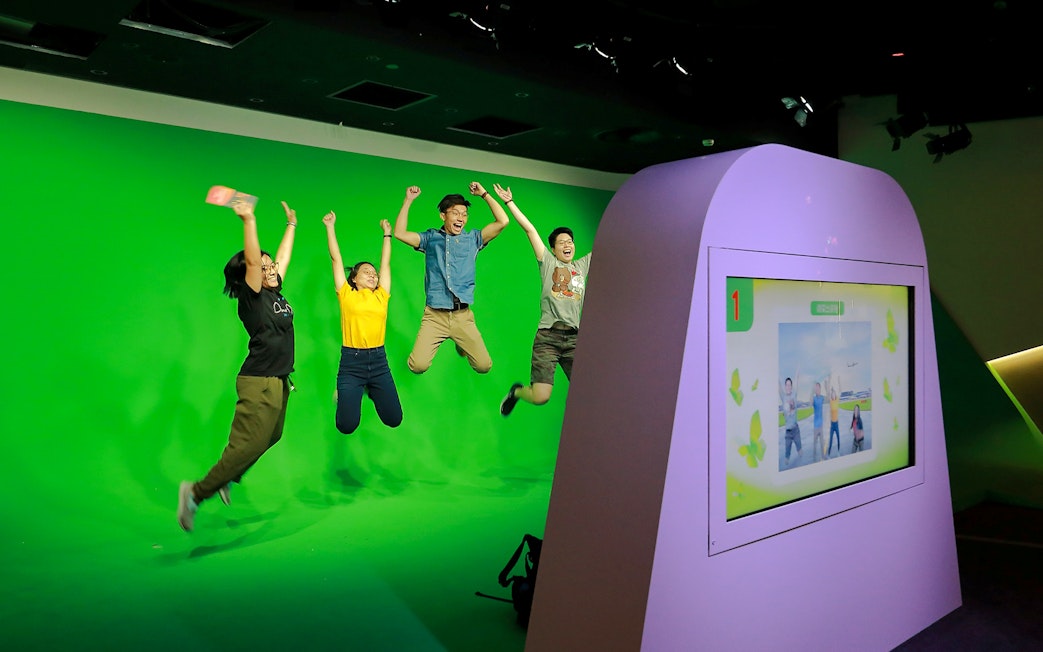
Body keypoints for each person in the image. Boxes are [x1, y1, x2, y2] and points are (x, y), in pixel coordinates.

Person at [178, 199, 298, 532]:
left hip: (278, 379)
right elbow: (253, 259)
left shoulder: (275, 292)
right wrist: (249, 219)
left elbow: (282, 257)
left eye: (271, 265)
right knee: (250, 444)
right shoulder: (254, 295)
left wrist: (291, 225)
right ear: (250, 275)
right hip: (258, 379)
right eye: (264, 267)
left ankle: (230, 474)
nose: (271, 268)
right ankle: (197, 493)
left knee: (273, 435)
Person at [494, 183, 592, 416]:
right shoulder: (548, 263)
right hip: (548, 337)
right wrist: (509, 202)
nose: (567, 245)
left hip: (574, 339)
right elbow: (529, 230)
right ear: (553, 249)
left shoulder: (581, 266)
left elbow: (608, 247)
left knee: (589, 390)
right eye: (562, 243)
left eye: (570, 242)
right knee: (540, 397)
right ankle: (517, 392)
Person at [393, 181, 509, 374]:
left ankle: (460, 341)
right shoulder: (430, 239)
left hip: (462, 316)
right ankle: (458, 340)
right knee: (417, 366)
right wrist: (408, 200)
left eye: (464, 215)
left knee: (483, 366)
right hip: (434, 316)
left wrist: (484, 194)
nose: (461, 218)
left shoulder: (473, 239)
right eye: (455, 213)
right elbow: (399, 233)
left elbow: (503, 221)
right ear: (443, 215)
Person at [324, 206, 403, 434]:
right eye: (366, 271)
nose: (372, 274)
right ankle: (346, 392)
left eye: (373, 272)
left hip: (379, 360)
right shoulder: (346, 294)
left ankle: (368, 388)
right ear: (354, 279)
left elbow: (386, 264)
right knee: (346, 426)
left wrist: (387, 234)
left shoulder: (382, 295)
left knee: (394, 419)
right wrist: (330, 227)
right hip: (352, 362)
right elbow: (336, 258)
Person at [779, 367, 802, 466]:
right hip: (788, 433)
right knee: (786, 459)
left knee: (800, 452)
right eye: (786, 385)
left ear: (791, 387)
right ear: (785, 387)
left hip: (795, 430)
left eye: (789, 385)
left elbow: (796, 381)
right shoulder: (783, 397)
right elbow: (778, 385)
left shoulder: (794, 395)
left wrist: (797, 373)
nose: (788, 386)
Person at [811, 379, 826, 461]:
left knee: (821, 443)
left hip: (821, 425)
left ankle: (823, 457)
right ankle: (814, 458)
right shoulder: (814, 398)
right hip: (815, 426)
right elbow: (810, 403)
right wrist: (812, 391)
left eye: (818, 388)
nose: (816, 389)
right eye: (815, 388)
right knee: (815, 444)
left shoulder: (822, 398)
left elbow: (828, 399)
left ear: (820, 389)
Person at [827, 375, 842, 456]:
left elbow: (840, 390)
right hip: (832, 425)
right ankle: (828, 454)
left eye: (834, 394)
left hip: (837, 423)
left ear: (835, 395)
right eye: (832, 394)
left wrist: (839, 381)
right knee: (831, 440)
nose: (833, 395)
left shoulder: (837, 400)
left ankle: (838, 451)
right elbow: (828, 392)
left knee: (839, 438)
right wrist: (829, 380)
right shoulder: (831, 401)